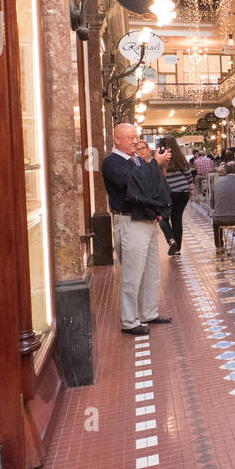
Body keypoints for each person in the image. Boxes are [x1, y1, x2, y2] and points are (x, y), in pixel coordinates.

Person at [101, 123, 171, 335]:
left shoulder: (138, 160)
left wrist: (158, 209)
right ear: (117, 140)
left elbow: (152, 187)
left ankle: (148, 312)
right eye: (130, 137)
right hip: (130, 222)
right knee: (132, 274)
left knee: (151, 271)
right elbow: (134, 184)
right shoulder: (112, 162)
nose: (135, 141)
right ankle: (130, 321)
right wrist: (155, 164)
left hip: (147, 220)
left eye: (136, 136)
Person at [158, 137, 194, 256]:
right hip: (183, 191)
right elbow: (188, 174)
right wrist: (191, 188)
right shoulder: (180, 157)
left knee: (163, 217)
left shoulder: (160, 157)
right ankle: (177, 248)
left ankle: (171, 240)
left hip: (168, 192)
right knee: (177, 218)